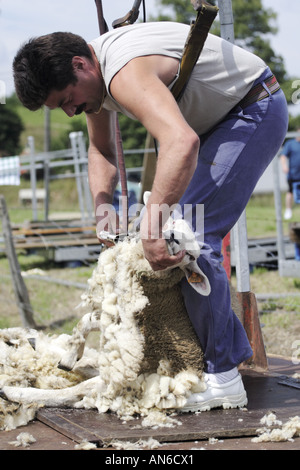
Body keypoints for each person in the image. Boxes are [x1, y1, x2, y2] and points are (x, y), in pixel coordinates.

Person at [13, 21, 289, 412]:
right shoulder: (95, 77)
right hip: (218, 121)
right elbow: (102, 151)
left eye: (68, 100)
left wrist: (153, 227)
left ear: (80, 65)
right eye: (61, 109)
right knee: (175, 228)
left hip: (251, 108)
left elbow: (181, 141)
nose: (71, 112)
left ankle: (223, 377)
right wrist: (104, 208)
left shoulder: (124, 72)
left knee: (187, 234)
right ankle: (226, 352)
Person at [280, 128, 300, 220]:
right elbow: (283, 156)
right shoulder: (290, 144)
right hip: (293, 174)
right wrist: (284, 166)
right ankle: (288, 210)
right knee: (290, 192)